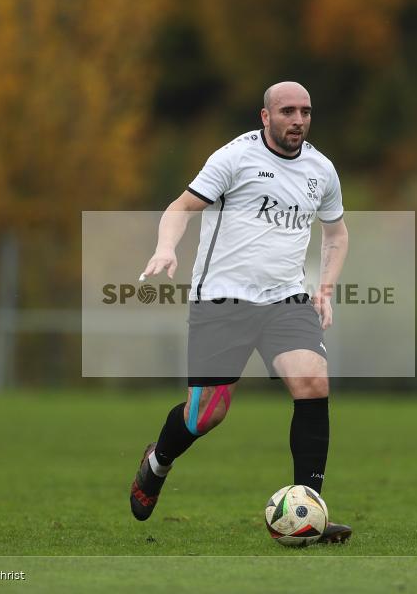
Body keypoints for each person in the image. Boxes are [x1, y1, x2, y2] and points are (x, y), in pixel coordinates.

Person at [129, 81, 352, 543]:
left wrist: (325, 289)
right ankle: (157, 462)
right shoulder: (235, 157)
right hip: (222, 299)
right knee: (206, 415)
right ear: (265, 116)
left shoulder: (321, 169)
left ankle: (310, 508)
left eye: (306, 111)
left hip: (286, 299)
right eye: (288, 111)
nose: (298, 120)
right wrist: (166, 247)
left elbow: (336, 233)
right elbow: (181, 207)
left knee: (313, 382)